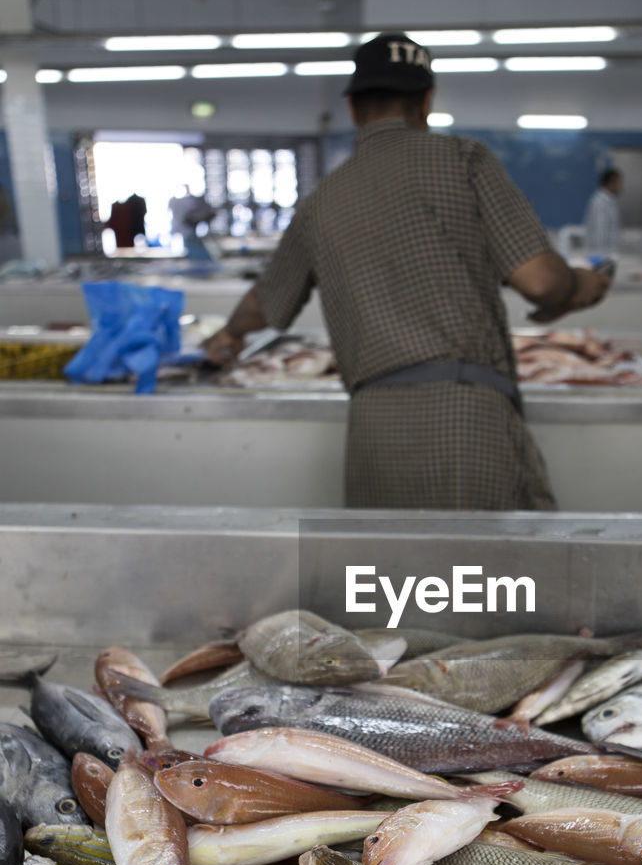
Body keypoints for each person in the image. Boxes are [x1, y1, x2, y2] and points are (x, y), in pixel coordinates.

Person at [204, 32, 612, 510]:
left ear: (353, 109)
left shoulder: (320, 202)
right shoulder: (464, 160)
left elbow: (264, 304)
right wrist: (585, 284)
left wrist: (228, 337)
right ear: (427, 102)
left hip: (373, 430)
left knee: (391, 578)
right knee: (479, 580)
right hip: (466, 419)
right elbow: (541, 281)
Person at [583, 167, 623, 260]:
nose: (620, 186)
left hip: (608, 254)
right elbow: (600, 231)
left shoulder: (610, 201)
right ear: (610, 183)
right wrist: (600, 257)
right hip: (601, 254)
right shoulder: (600, 202)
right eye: (618, 183)